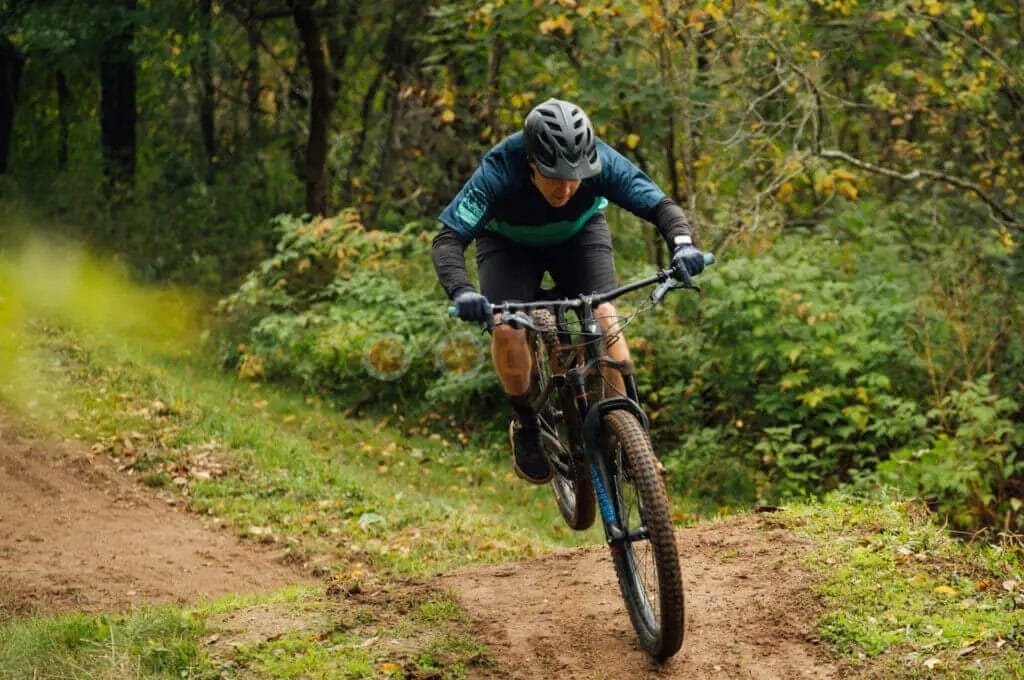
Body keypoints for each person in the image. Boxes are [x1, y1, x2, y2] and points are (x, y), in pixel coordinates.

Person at [432, 98, 706, 484]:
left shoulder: (602, 161)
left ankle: (630, 439)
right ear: (531, 163)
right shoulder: (498, 170)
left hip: (579, 235)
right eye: (555, 175)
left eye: (576, 175)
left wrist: (682, 244)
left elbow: (660, 205)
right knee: (508, 328)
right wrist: (461, 291)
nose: (567, 186)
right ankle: (527, 427)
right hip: (508, 246)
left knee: (605, 316)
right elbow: (448, 240)